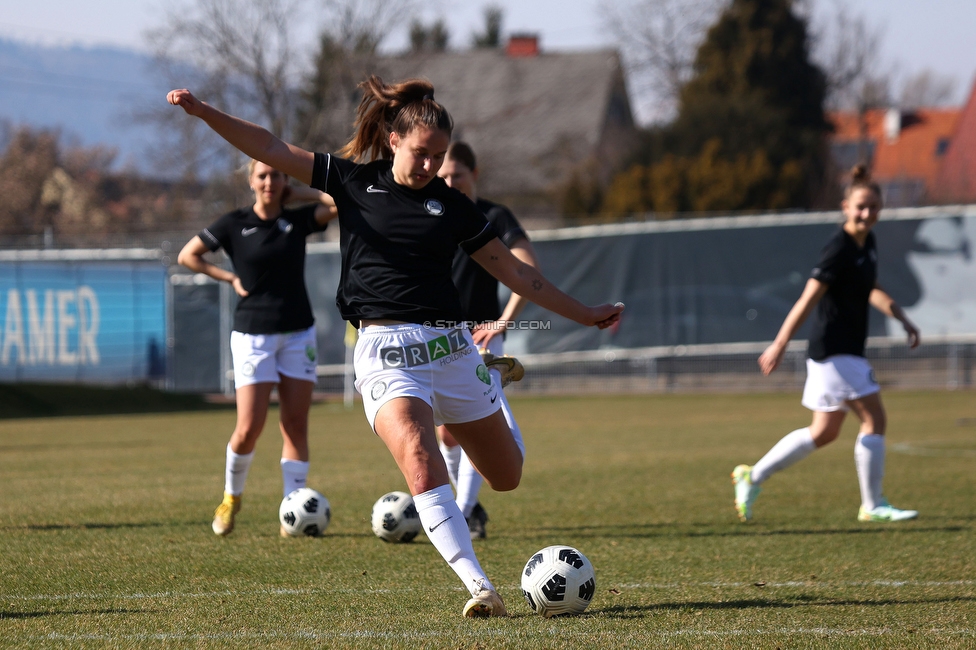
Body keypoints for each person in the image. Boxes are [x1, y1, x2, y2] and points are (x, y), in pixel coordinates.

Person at [168, 75, 623, 617]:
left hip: (451, 349)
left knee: (506, 478)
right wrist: (205, 113)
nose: (431, 166)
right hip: (384, 351)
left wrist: (587, 311)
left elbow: (524, 279)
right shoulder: (352, 181)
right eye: (421, 153)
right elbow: (267, 146)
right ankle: (480, 587)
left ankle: (493, 377)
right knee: (418, 454)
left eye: (439, 156)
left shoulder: (453, 208)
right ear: (392, 140)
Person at [732, 164, 920, 524]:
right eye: (861, 207)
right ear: (845, 207)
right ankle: (872, 504)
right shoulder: (838, 248)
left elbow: (871, 289)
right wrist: (780, 343)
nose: (867, 213)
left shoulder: (868, 244)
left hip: (841, 352)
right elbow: (807, 299)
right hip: (834, 350)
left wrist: (902, 318)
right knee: (874, 418)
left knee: (824, 431)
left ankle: (751, 476)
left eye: (874, 208)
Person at [177, 160, 336, 537]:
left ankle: (291, 511)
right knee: (249, 427)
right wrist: (229, 276)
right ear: (251, 181)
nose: (269, 181)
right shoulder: (233, 223)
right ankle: (231, 499)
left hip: (299, 333)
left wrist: (300, 193)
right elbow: (188, 255)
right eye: (262, 175)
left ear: (285, 180)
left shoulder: (297, 221)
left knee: (295, 424)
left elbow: (338, 200)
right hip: (253, 335)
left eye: (277, 175)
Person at [435, 141, 540, 540]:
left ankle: (460, 512)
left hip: (480, 340)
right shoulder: (433, 213)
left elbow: (527, 266)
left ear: (474, 174)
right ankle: (468, 503)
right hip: (439, 337)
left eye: (455, 175)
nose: (448, 182)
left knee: (481, 425)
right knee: (448, 432)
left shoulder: (493, 215)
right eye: (442, 176)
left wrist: (503, 320)